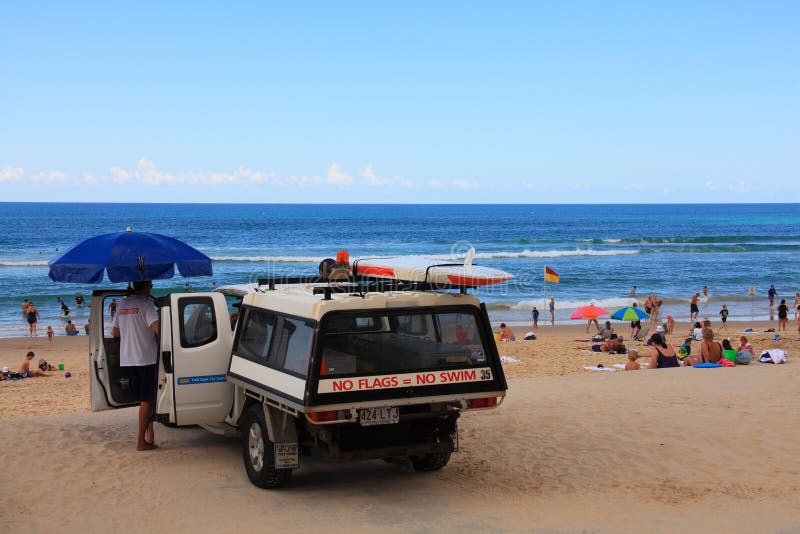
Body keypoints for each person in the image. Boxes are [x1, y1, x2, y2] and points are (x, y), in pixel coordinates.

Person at [112, 280, 160, 452]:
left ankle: (150, 436)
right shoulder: (147, 306)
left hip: (128, 358)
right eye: (151, 285)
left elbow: (115, 332)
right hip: (146, 358)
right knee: (147, 399)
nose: (151, 288)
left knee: (144, 399)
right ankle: (141, 442)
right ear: (146, 287)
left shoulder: (121, 304)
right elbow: (158, 330)